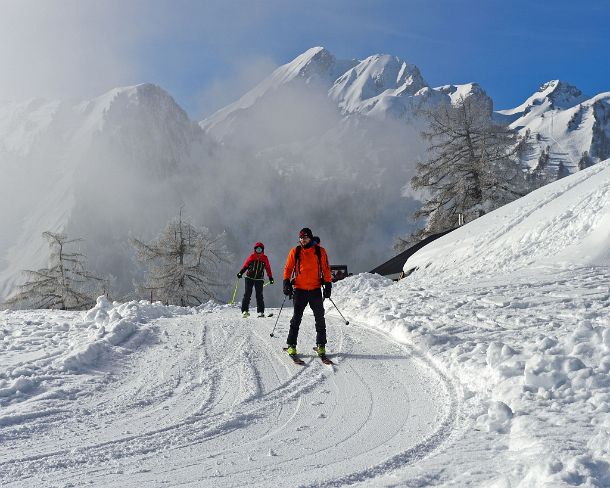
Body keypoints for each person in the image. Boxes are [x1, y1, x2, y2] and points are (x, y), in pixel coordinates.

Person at [283, 228, 332, 357]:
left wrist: (328, 285)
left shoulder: (320, 251)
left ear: (310, 238)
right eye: (301, 238)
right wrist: (286, 282)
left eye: (305, 237)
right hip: (300, 290)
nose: (303, 240)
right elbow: (288, 268)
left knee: (320, 318)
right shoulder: (296, 251)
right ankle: (291, 345)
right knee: (296, 319)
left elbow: (326, 269)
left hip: (315, 289)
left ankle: (321, 345)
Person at [237, 242, 274, 317]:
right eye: (257, 249)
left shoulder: (265, 258)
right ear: (255, 250)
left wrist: (270, 277)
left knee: (259, 295)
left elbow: (268, 268)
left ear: (262, 250)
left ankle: (261, 312)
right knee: (247, 294)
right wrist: (241, 273)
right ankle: (244, 311)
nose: (259, 250)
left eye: (260, 249)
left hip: (259, 279)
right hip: (249, 278)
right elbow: (246, 265)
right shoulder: (252, 256)